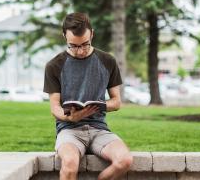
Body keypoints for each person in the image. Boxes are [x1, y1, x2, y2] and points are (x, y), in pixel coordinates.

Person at [44, 12, 133, 180]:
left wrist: (98, 106)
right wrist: (70, 118)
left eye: (85, 44)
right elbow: (54, 107)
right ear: (65, 37)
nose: (80, 51)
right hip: (69, 130)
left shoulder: (108, 61)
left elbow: (116, 102)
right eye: (74, 46)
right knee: (70, 164)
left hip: (99, 129)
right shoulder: (54, 65)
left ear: (92, 33)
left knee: (125, 160)